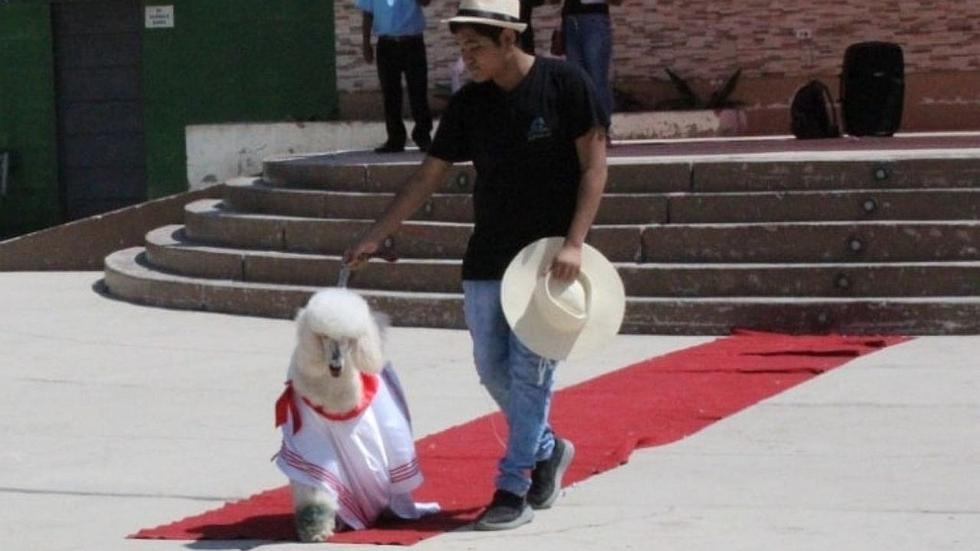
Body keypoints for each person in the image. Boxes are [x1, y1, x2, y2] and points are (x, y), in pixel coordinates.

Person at [344, 0, 610, 532]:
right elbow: (428, 175)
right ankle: (547, 448)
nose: (466, 59)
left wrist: (575, 243)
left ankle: (514, 487)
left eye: (475, 48)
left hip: (546, 262)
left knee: (530, 376)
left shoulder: (565, 85)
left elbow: (594, 165)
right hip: (488, 255)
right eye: (461, 47)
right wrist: (377, 232)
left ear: (509, 39)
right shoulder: (471, 103)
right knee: (491, 369)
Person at [358, 0, 434, 153]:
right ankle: (395, 139)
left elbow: (426, 2)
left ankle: (423, 137)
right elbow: (367, 14)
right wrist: (366, 44)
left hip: (413, 43)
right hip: (386, 44)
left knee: (418, 90)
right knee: (390, 93)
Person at [548, 0, 622, 123]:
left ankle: (601, 127)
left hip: (594, 19)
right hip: (570, 20)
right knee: (576, 80)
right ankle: (583, 128)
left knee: (597, 78)